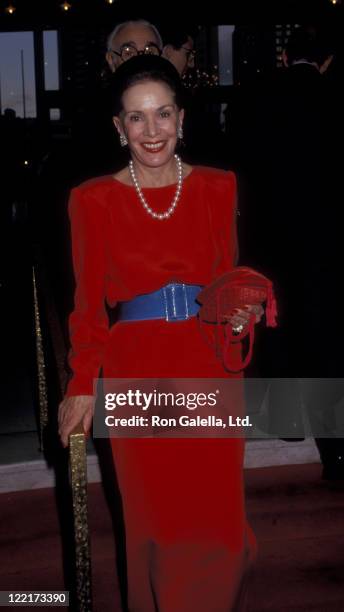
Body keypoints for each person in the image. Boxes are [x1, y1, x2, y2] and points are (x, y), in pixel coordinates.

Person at [58, 55, 261, 611]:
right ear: (118, 128)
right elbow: (86, 309)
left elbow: (228, 279)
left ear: (182, 119)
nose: (153, 131)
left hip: (210, 361)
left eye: (163, 114)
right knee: (161, 526)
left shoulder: (220, 187)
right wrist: (81, 383)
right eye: (137, 118)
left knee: (218, 525)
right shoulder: (92, 199)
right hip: (137, 366)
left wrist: (240, 313)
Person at [228, 25, 344, 475]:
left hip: (269, 235)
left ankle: (287, 420)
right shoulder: (335, 97)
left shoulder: (253, 99)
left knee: (279, 325)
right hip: (328, 238)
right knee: (327, 334)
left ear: (283, 58)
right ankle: (334, 449)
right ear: (327, 60)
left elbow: (239, 169)